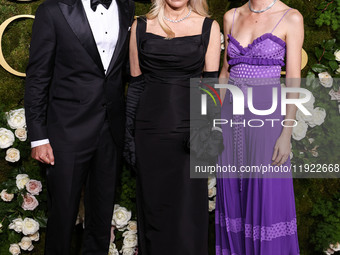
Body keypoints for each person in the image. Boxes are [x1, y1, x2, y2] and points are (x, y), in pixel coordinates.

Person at [24, 0, 135, 253]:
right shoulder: (53, 10)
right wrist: (39, 137)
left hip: (111, 129)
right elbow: (38, 76)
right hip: (67, 130)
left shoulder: (127, 6)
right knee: (62, 216)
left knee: (101, 214)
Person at [124, 0, 221, 253]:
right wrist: (129, 136)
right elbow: (135, 85)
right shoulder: (141, 26)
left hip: (189, 133)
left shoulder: (209, 26)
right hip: (149, 132)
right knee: (153, 209)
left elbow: (211, 86)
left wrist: (205, 131)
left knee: (188, 212)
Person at [215, 0, 303, 254]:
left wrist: (286, 132)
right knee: (231, 195)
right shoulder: (231, 15)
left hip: (266, 121)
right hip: (230, 119)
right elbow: (224, 72)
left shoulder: (291, 17)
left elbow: (294, 79)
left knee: (267, 198)